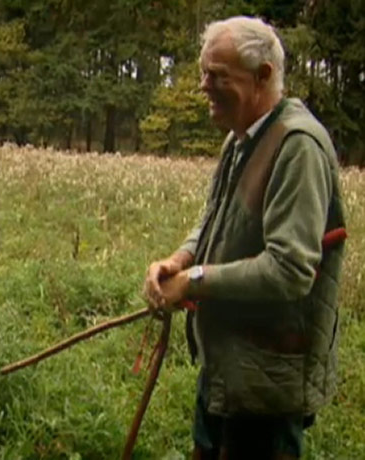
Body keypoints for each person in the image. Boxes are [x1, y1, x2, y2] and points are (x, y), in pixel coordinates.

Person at [142, 16, 345, 460]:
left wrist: (194, 281)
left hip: (266, 383)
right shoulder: (240, 139)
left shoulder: (298, 147)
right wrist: (180, 258)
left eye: (218, 76)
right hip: (227, 371)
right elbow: (215, 219)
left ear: (263, 76)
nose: (203, 86)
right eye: (203, 73)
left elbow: (290, 270)